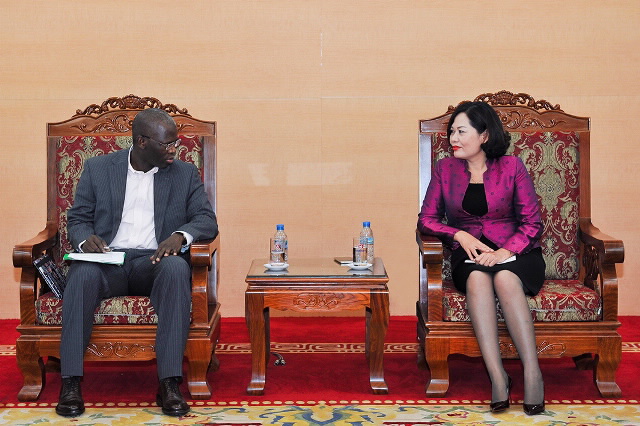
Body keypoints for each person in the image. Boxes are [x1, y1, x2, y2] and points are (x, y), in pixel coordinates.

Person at [56, 108, 218, 418]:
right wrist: (85, 240)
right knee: (81, 273)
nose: (174, 149)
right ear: (142, 142)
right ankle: (71, 382)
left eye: (175, 142)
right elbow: (77, 219)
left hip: (153, 261)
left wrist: (180, 236)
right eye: (167, 143)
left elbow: (206, 220)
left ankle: (169, 382)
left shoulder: (184, 173)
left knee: (176, 268)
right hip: (108, 261)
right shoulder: (98, 168)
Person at [418, 101, 545, 416]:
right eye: (452, 132)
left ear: (484, 135)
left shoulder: (512, 167)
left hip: (517, 252)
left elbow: (532, 223)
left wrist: (505, 252)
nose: (453, 139)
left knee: (505, 278)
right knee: (476, 278)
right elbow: (426, 220)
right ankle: (498, 377)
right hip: (470, 255)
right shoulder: (445, 170)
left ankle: (533, 373)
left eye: (462, 131)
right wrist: (458, 235)